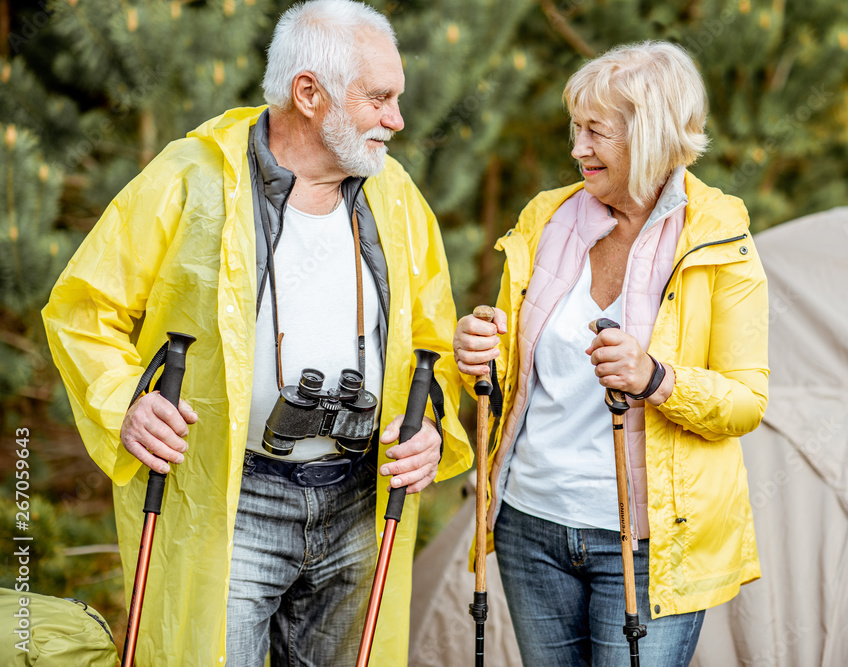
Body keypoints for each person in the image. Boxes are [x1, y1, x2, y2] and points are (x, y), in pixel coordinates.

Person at [42, 1, 471, 665]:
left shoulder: (399, 197)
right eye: (380, 98)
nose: (397, 119)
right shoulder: (191, 178)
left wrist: (432, 431)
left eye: (398, 98)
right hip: (230, 501)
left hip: (362, 499)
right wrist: (125, 399)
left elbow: (432, 349)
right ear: (309, 92)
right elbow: (82, 308)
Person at [453, 41, 768, 666]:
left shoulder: (718, 239)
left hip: (651, 541)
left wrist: (655, 378)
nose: (577, 149)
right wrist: (478, 359)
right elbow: (510, 381)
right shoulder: (547, 220)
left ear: (649, 135)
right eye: (576, 129)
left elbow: (745, 402)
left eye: (596, 132)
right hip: (529, 522)